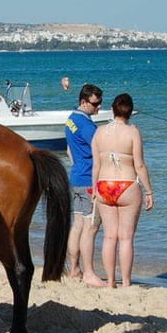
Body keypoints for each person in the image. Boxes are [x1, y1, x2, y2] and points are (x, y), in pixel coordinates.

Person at [91, 93, 154, 289]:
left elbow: (96, 165)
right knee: (126, 237)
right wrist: (149, 191)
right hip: (126, 184)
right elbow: (140, 165)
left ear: (113, 109)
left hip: (103, 185)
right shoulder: (133, 132)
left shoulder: (100, 132)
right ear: (130, 112)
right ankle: (126, 282)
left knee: (109, 236)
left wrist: (94, 189)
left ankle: (110, 281)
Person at [64, 83, 106, 287]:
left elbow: (69, 151)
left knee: (78, 226)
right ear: (83, 102)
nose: (98, 108)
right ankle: (89, 272)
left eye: (100, 104)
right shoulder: (88, 126)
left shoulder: (71, 120)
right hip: (88, 179)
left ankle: (74, 269)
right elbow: (101, 150)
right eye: (95, 104)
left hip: (76, 177)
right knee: (90, 227)